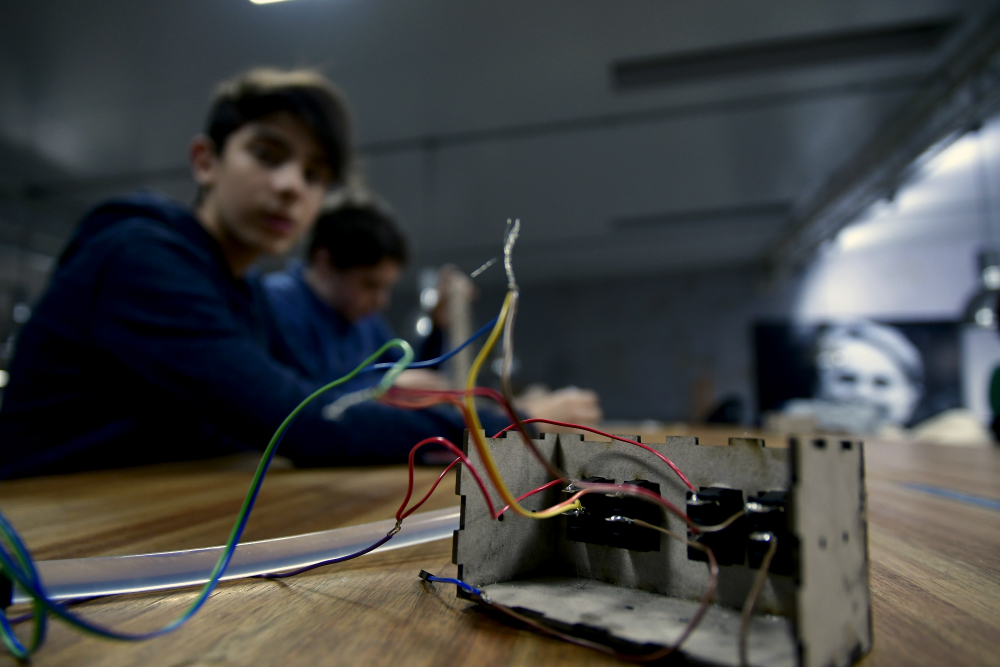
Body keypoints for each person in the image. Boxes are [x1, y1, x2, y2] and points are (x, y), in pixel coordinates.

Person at [0, 68, 507, 479]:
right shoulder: (140, 261)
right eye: (267, 155)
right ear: (205, 161)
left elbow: (317, 398)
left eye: (314, 175)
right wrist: (509, 425)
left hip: (132, 519)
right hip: (40, 532)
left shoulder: (243, 297)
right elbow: (306, 424)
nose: (291, 186)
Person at [263, 200, 604, 426]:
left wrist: (438, 327)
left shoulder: (362, 319)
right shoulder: (274, 305)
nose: (380, 300)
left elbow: (407, 379)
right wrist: (381, 389)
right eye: (369, 284)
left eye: (386, 288)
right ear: (324, 262)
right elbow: (307, 413)